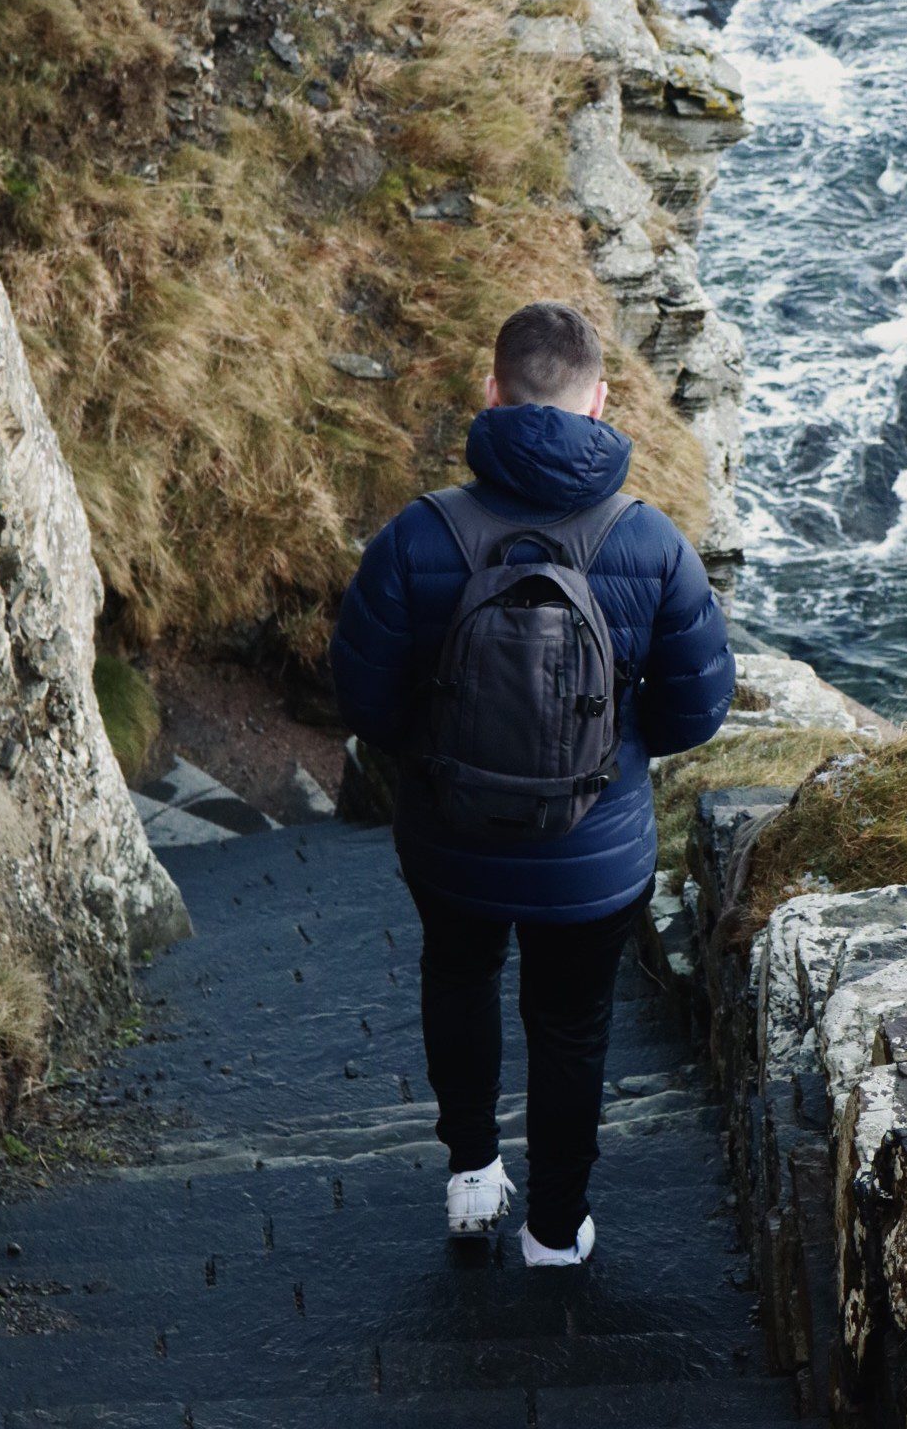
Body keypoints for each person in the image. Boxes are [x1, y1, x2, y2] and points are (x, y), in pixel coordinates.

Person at [330, 301, 734, 1267]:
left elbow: (366, 701)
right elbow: (695, 712)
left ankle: (472, 1176)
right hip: (592, 858)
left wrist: (438, 754)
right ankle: (556, 1229)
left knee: (460, 978)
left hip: (452, 840)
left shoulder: (416, 536)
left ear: (492, 390)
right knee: (571, 1025)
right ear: (599, 402)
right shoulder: (652, 544)